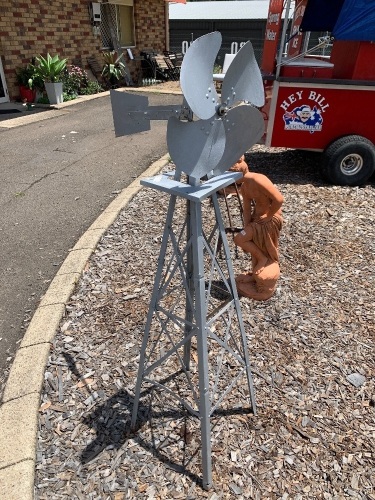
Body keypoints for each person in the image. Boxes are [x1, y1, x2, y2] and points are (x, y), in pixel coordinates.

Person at [233, 165, 284, 300]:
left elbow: (279, 199)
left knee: (239, 239)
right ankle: (256, 271)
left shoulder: (259, 179)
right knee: (245, 239)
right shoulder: (245, 187)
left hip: (270, 220)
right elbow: (246, 209)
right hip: (257, 222)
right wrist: (246, 227)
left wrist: (268, 215)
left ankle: (263, 259)